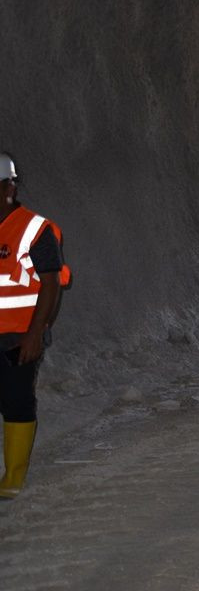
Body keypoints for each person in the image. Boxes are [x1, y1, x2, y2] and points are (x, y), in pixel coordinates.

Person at [0, 153, 70, 499]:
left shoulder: (35, 230)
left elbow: (52, 283)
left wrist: (35, 334)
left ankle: (13, 478)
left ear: (9, 187)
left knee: (15, 402)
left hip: (17, 338)